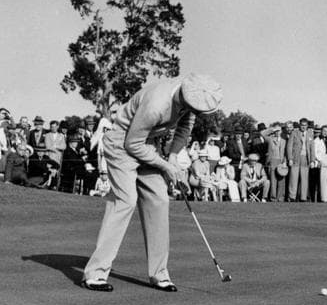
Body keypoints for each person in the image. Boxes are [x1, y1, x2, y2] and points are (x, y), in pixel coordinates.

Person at [80, 73, 222, 293]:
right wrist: (166, 167)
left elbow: (184, 130)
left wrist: (173, 158)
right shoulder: (157, 104)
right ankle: (95, 273)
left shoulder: (191, 100)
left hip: (149, 144)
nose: (195, 113)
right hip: (122, 143)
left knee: (159, 201)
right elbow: (132, 144)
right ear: (184, 96)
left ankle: (159, 274)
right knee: (126, 200)